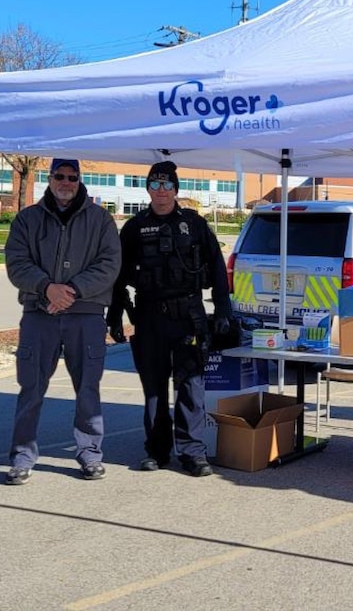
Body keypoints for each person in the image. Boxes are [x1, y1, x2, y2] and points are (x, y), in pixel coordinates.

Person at [107, 160, 237, 477]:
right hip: (149, 315)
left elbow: (218, 269)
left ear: (175, 190)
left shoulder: (193, 224)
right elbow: (119, 276)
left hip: (188, 314)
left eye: (167, 185)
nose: (161, 191)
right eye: (155, 185)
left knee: (190, 385)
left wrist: (223, 309)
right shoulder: (135, 228)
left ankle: (192, 453)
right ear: (148, 189)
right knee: (153, 388)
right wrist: (114, 315)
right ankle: (157, 451)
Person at [3, 158, 121, 485]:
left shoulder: (100, 220)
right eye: (60, 176)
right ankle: (22, 456)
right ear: (50, 178)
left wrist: (70, 291)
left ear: (79, 179)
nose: (66, 182)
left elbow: (110, 264)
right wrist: (46, 289)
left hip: (86, 316)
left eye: (72, 177)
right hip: (39, 316)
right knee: (31, 388)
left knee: (88, 389)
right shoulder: (27, 220)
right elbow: (17, 263)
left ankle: (89, 454)